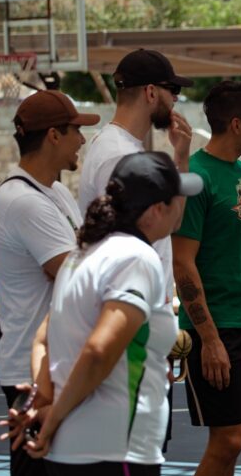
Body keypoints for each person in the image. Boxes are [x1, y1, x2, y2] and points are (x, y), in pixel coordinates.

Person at [17, 152, 202, 476]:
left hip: (72, 451)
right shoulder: (136, 258)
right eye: (177, 200)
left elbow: (44, 339)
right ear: (157, 210)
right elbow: (99, 351)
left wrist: (42, 402)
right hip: (116, 451)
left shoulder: (81, 256)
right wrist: (54, 417)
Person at [172, 81, 241, 476]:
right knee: (227, 442)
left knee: (236, 440)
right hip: (215, 332)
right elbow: (182, 264)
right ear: (236, 123)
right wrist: (210, 338)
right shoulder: (195, 178)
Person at [0, 90, 99, 476]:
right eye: (75, 131)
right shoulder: (25, 202)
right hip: (33, 374)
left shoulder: (51, 193)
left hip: (49, 368)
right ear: (54, 135)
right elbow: (79, 279)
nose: (82, 140)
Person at [79, 48, 194, 306]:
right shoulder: (118, 155)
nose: (176, 98)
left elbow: (172, 219)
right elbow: (138, 237)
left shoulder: (122, 147)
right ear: (151, 92)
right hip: (133, 310)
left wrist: (182, 158)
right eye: (172, 89)